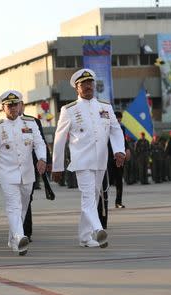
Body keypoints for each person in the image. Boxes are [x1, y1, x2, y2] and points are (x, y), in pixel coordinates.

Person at [52, 69, 125, 248]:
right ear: (77, 88)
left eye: (90, 83)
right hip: (81, 161)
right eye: (83, 84)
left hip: (101, 160)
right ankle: (98, 229)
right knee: (88, 197)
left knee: (93, 197)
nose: (87, 87)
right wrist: (57, 166)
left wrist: (119, 150)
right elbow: (59, 139)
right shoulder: (69, 110)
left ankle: (85, 237)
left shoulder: (105, 107)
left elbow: (115, 130)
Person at [0, 90, 47, 255]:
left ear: (20, 105)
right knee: (14, 206)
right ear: (3, 108)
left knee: (23, 207)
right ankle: (20, 237)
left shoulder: (30, 123)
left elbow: (40, 143)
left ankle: (13, 239)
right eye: (9, 105)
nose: (13, 108)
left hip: (27, 174)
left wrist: (42, 159)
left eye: (15, 104)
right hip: (7, 175)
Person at [19, 104, 52, 242]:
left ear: (23, 106)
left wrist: (47, 161)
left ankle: (26, 231)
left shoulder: (33, 122)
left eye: (18, 104)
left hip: (31, 165)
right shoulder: (3, 125)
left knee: (27, 197)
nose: (16, 107)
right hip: (12, 167)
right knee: (15, 200)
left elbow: (41, 142)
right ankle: (18, 230)